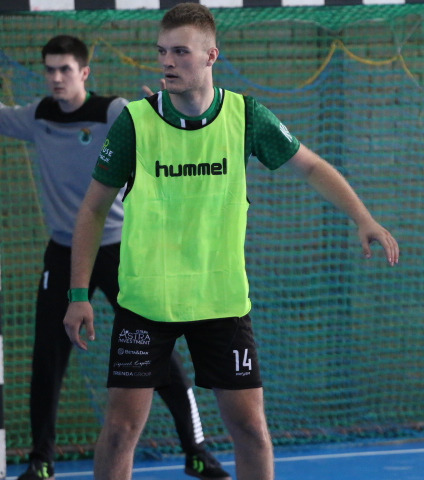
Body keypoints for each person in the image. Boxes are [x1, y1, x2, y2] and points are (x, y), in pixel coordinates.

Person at [62, 4, 400, 480]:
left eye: (181, 51)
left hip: (220, 302)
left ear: (210, 56)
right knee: (119, 430)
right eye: (162, 51)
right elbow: (93, 209)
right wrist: (78, 293)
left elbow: (311, 166)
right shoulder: (136, 122)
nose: (167, 61)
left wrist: (362, 218)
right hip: (147, 301)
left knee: (251, 430)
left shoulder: (245, 116)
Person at [0, 35, 231, 480]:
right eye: (49, 70)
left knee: (158, 350)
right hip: (64, 252)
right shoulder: (38, 116)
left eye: (65, 69)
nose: (56, 78)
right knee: (47, 358)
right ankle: (41, 460)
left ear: (84, 73)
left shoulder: (113, 112)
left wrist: (167, 113)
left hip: (120, 248)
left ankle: (197, 450)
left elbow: (160, 131)